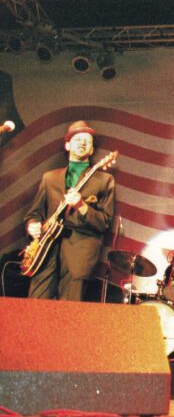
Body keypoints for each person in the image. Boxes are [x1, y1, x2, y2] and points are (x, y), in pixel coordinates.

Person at [24, 120, 116, 301]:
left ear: (91, 150)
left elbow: (105, 222)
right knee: (35, 307)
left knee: (68, 313)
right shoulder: (49, 178)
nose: (82, 142)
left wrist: (82, 206)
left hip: (79, 252)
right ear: (67, 145)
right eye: (77, 139)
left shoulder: (104, 180)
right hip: (45, 251)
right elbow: (34, 213)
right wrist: (32, 225)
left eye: (87, 141)